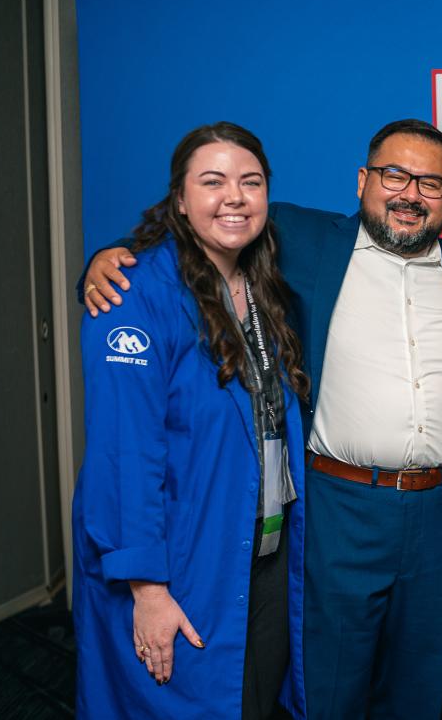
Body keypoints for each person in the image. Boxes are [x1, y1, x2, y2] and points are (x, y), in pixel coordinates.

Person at [81, 119, 442, 719]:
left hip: (438, 513)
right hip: (341, 506)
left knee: (418, 687)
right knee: (329, 686)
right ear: (363, 181)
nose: (411, 193)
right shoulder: (306, 238)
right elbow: (207, 227)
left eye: (431, 183)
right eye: (395, 174)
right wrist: (104, 260)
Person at [73, 122, 309, 718]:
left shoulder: (265, 290)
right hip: (181, 560)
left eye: (250, 182)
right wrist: (148, 590)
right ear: (179, 199)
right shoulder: (133, 293)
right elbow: (124, 452)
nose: (234, 196)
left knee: (252, 700)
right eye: (213, 181)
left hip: (264, 551)